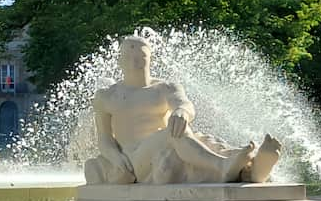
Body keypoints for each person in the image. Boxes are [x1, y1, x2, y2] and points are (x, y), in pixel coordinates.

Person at [85, 35, 281, 185]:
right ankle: (223, 167)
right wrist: (115, 158)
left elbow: (184, 104)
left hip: (172, 148)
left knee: (201, 140)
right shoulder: (107, 96)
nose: (135, 62)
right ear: (120, 61)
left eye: (141, 56)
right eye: (129, 56)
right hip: (135, 160)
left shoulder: (165, 87)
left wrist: (182, 112)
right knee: (174, 133)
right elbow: (104, 138)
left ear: (150, 59)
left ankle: (252, 169)